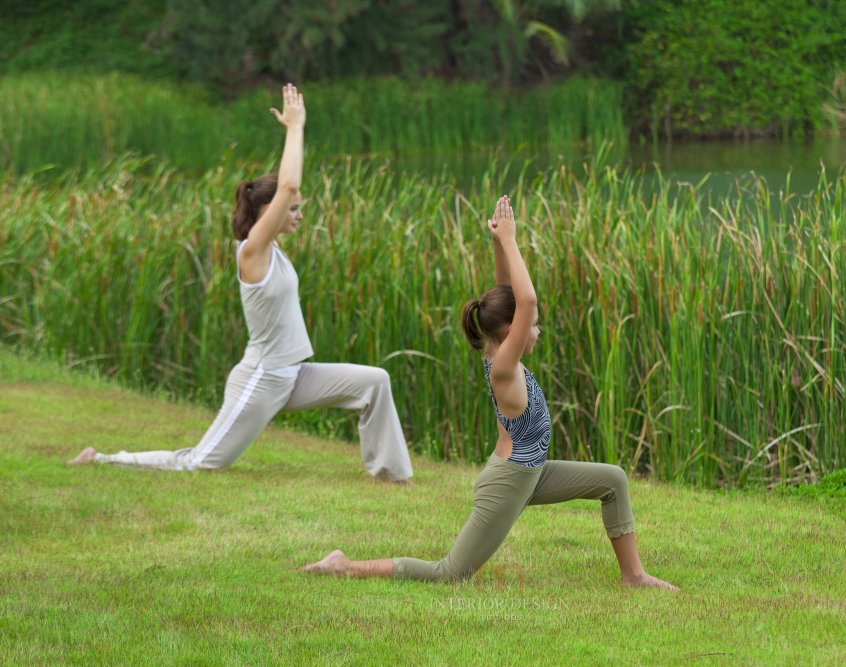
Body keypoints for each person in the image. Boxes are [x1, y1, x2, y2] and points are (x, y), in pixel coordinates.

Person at [302, 195, 677, 589]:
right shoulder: (503, 368)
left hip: (532, 473)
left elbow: (507, 292)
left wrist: (498, 242)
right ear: (510, 331)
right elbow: (526, 301)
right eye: (531, 327)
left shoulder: (498, 349)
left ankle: (634, 576)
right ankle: (343, 565)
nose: (537, 330)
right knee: (449, 573)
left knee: (613, 479)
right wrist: (513, 241)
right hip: (509, 482)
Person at [68, 84, 413, 483]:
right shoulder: (252, 251)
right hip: (261, 380)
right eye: (293, 209)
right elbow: (287, 186)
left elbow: (286, 191)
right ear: (267, 212)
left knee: (375, 382)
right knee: (200, 462)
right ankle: (103, 459)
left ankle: (393, 476)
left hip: (294, 375)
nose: (299, 214)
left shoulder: (276, 250)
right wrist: (295, 128)